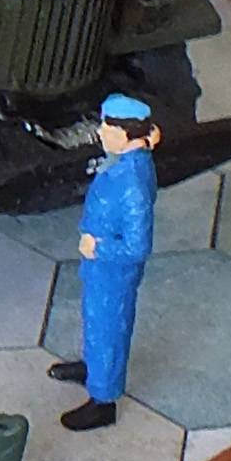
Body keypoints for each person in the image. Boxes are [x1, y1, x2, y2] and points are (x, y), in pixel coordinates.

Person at [51, 93, 163, 432]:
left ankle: (103, 400)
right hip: (101, 269)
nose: (100, 132)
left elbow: (137, 246)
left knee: (110, 329)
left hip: (113, 271)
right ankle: (93, 367)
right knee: (95, 321)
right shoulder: (125, 161)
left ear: (125, 134)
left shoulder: (133, 184)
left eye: (107, 127)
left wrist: (98, 248)